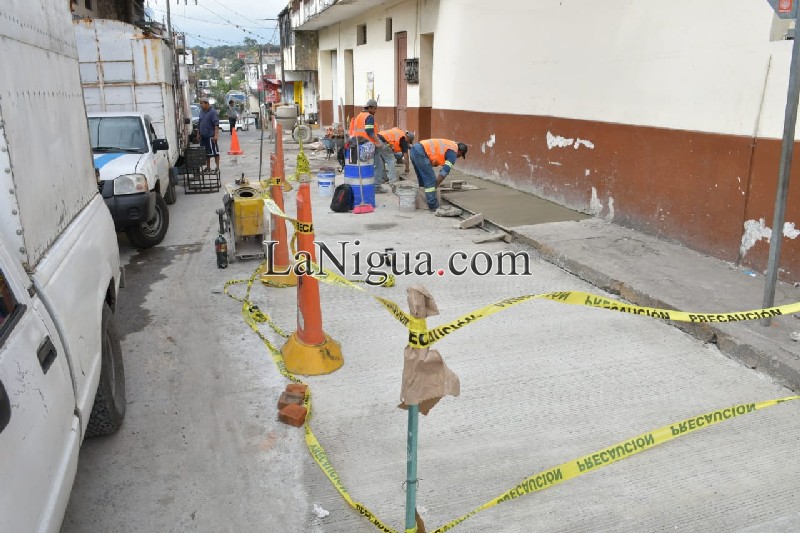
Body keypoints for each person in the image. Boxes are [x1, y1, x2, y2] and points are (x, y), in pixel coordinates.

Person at [410, 139, 467, 212]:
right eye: (460, 156)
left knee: (422, 178)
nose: (458, 157)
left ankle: (422, 202)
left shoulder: (450, 145)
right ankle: (433, 206)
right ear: (460, 152)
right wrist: (435, 185)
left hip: (414, 149)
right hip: (421, 152)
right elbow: (445, 171)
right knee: (430, 179)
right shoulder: (453, 152)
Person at [347, 99, 383, 166]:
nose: (375, 111)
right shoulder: (369, 117)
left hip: (358, 143)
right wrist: (378, 142)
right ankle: (377, 176)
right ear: (370, 108)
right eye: (374, 109)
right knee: (377, 165)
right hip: (368, 145)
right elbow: (370, 132)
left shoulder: (359, 115)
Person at [198, 98, 220, 171]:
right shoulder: (201, 112)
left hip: (211, 136)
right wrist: (198, 133)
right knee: (206, 153)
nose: (201, 105)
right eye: (200, 103)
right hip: (203, 136)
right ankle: (208, 167)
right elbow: (199, 123)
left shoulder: (212, 112)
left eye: (202, 103)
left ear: (207, 103)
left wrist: (216, 135)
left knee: (215, 152)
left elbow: (216, 124)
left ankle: (217, 166)